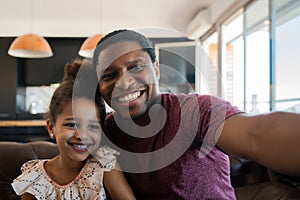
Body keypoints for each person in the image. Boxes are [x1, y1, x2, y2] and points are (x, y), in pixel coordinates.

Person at [91, 29, 300, 199]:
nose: (124, 83)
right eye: (109, 75)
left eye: (136, 67)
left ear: (156, 69)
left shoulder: (195, 111)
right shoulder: (104, 132)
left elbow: (254, 134)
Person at [11, 59, 136, 200]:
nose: (82, 135)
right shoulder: (34, 178)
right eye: (72, 125)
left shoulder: (104, 165)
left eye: (93, 126)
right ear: (52, 128)